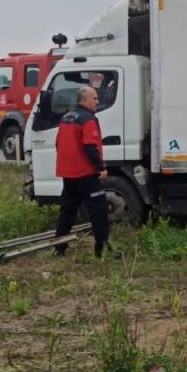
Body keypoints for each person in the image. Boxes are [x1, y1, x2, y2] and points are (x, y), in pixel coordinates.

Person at [53, 86, 114, 257]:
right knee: (99, 211)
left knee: (67, 212)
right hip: (86, 173)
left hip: (68, 174)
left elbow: (58, 144)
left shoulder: (65, 118)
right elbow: (90, 146)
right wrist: (100, 168)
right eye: (94, 98)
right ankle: (102, 250)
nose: (97, 102)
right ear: (83, 100)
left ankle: (59, 248)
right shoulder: (88, 119)